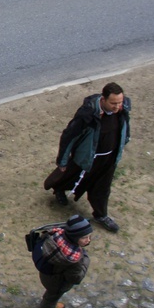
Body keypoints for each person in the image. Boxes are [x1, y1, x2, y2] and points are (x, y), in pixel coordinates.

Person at [45, 82, 131, 233]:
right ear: (103, 100)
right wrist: (63, 160)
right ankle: (59, 189)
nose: (117, 107)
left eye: (120, 102)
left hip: (108, 159)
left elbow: (125, 127)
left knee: (102, 188)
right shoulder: (87, 116)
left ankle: (101, 215)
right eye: (113, 103)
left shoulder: (122, 111)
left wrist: (125, 140)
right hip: (87, 157)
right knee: (70, 175)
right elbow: (69, 136)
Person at [32, 215, 92, 308]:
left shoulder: (55, 236)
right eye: (84, 238)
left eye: (89, 236)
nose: (88, 240)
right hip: (58, 283)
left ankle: (51, 304)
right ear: (75, 238)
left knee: (51, 295)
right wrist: (86, 259)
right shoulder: (73, 259)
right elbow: (75, 278)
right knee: (51, 298)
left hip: (47, 274)